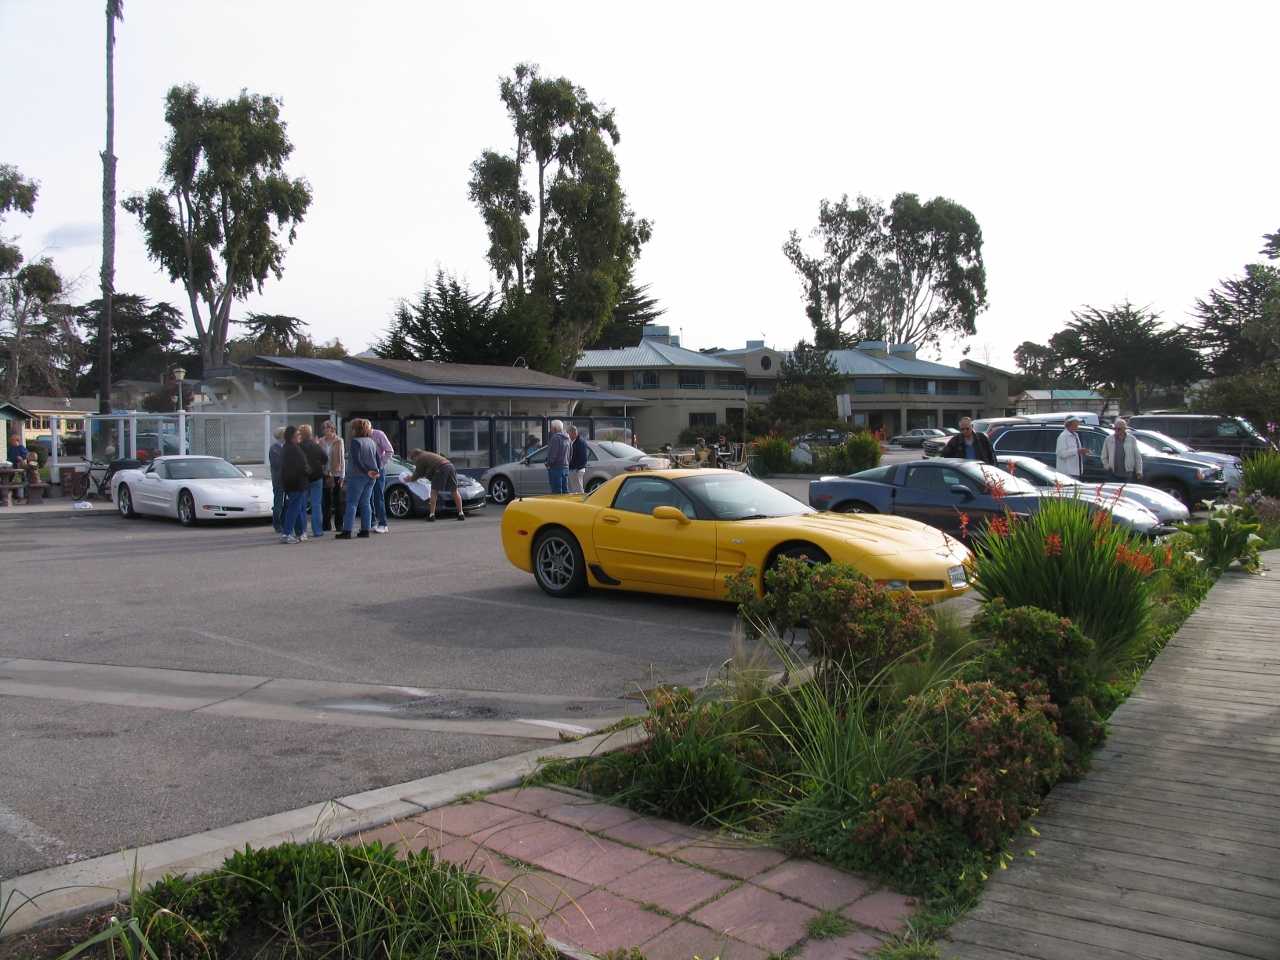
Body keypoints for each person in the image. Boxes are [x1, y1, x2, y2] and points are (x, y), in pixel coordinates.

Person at [338, 419, 380, 539]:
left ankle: (347, 530)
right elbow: (378, 458)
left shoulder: (355, 442)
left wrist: (366, 471)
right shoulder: (372, 442)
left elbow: (357, 459)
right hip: (371, 477)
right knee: (365, 502)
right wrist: (376, 471)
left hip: (357, 475)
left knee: (351, 503)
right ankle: (365, 529)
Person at [407, 448, 465, 520]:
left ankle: (432, 515)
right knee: (454, 491)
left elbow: (418, 472)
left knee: (434, 492)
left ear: (415, 455)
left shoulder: (420, 458)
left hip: (440, 468)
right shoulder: (428, 454)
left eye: (413, 459)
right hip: (450, 466)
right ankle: (461, 513)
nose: (414, 461)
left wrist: (411, 478)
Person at [278, 426, 311, 544]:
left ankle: (300, 532)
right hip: (296, 482)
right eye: (298, 434)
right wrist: (310, 471)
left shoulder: (285, 448)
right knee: (294, 508)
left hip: (289, 482)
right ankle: (287, 533)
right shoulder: (294, 449)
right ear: (292, 436)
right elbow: (303, 466)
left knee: (296, 507)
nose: (299, 437)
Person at [297, 424, 328, 538]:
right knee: (316, 505)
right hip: (316, 477)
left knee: (302, 506)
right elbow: (325, 459)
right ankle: (317, 530)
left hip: (303, 478)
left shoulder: (298, 447)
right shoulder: (316, 446)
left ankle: (302, 530)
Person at [368, 426, 395, 534]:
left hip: (378, 470)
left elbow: (389, 451)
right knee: (368, 497)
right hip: (367, 470)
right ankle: (371, 522)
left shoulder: (379, 434)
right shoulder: (362, 436)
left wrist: (380, 465)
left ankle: (383, 523)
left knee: (378, 496)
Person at [319, 420, 344, 532]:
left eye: (327, 428)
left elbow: (342, 458)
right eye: (324, 428)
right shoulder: (321, 441)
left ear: (332, 429)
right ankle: (326, 524)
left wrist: (342, 475)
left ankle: (339, 524)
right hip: (325, 473)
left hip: (336, 472)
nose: (325, 430)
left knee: (337, 499)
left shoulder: (339, 441)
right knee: (327, 500)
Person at [1102, 418, 1143, 483]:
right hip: (1113, 473)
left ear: (1124, 429)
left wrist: (1139, 471)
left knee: (1124, 492)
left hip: (1126, 474)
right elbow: (1104, 456)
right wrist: (1107, 466)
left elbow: (1137, 456)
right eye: (1115, 428)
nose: (1116, 430)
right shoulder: (1109, 439)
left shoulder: (1131, 439)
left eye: (1119, 428)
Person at [268, 426, 286, 533]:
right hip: (279, 479)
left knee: (287, 504)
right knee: (279, 503)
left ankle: (284, 522)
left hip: (287, 479)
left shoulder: (287, 447)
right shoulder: (274, 448)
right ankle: (277, 524)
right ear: (280, 436)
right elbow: (276, 463)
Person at [545, 420, 571, 494]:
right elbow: (570, 452)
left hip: (556, 467)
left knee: (556, 491)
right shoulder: (567, 437)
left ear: (555, 428)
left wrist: (549, 464)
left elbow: (552, 453)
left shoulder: (555, 438)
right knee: (565, 490)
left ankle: (557, 505)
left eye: (551, 427)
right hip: (566, 467)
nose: (551, 429)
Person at [567, 425, 589, 494]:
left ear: (573, 433)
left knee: (578, 490)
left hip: (576, 469)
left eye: (569, 433)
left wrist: (577, 467)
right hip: (572, 468)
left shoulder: (580, 442)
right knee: (572, 489)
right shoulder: (573, 442)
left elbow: (583, 456)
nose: (568, 435)